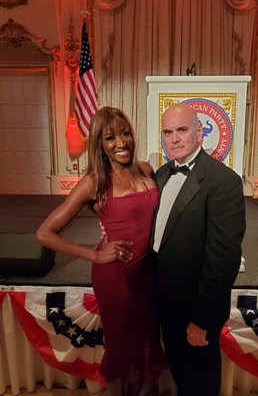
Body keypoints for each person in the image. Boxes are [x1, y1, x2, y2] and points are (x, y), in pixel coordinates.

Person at [36, 106, 166, 396]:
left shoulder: (146, 169)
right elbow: (44, 233)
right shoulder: (94, 182)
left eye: (125, 133)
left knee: (147, 341)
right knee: (121, 344)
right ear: (99, 144)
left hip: (148, 272)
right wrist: (94, 254)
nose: (121, 143)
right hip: (115, 276)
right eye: (110, 137)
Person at [152, 103, 246, 396]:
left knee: (200, 383)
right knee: (181, 374)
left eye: (182, 130)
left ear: (200, 133)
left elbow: (223, 261)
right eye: (168, 132)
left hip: (195, 308)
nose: (175, 138)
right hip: (166, 301)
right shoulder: (161, 175)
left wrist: (200, 320)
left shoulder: (223, 182)